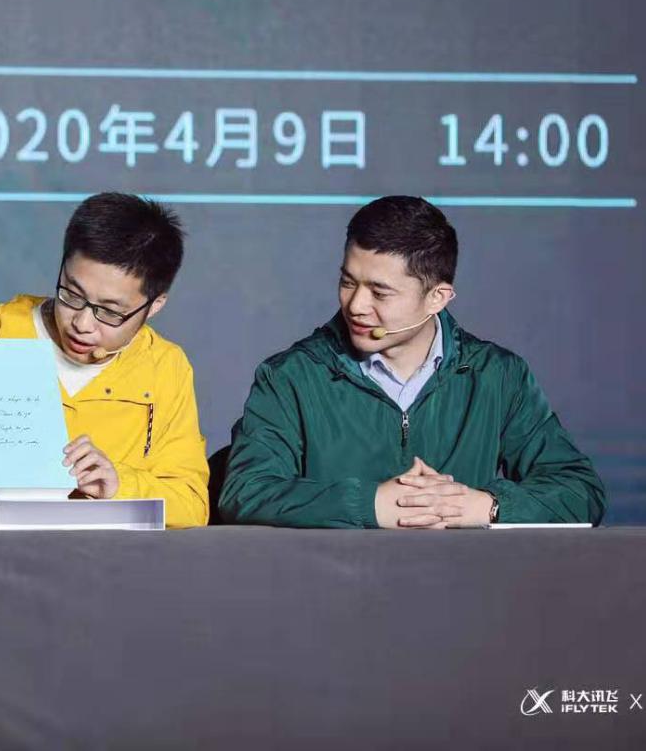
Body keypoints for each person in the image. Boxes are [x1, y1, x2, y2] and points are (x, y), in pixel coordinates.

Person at [219, 195, 606, 528]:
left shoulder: (498, 376)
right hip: (333, 582)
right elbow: (245, 491)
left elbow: (580, 491)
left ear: (438, 297)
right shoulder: (291, 376)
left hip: (462, 582)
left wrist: (483, 506)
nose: (356, 305)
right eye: (348, 282)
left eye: (380, 292)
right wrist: (371, 505)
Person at [0, 192, 209, 528]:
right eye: (71, 294)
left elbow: (191, 504)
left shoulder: (165, 367)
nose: (82, 323)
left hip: (102, 557)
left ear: (155, 305)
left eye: (109, 312)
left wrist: (121, 485)